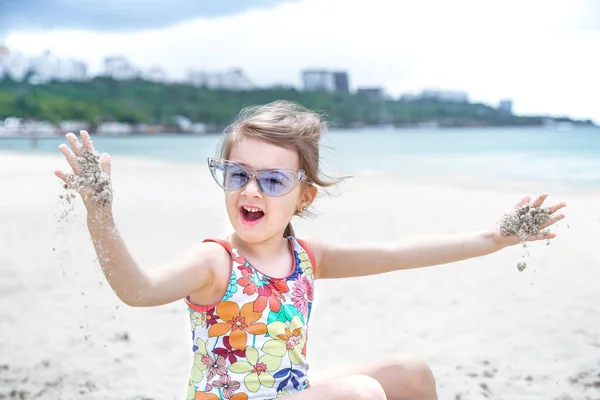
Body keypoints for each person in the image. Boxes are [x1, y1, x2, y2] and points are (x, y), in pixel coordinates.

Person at [54, 101, 566, 400]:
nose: (251, 191)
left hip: (285, 390)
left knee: (410, 371)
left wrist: (496, 238)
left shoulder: (306, 257)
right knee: (361, 394)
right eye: (238, 175)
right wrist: (99, 211)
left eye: (272, 180)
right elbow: (137, 290)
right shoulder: (216, 261)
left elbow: (398, 251)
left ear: (304, 195)